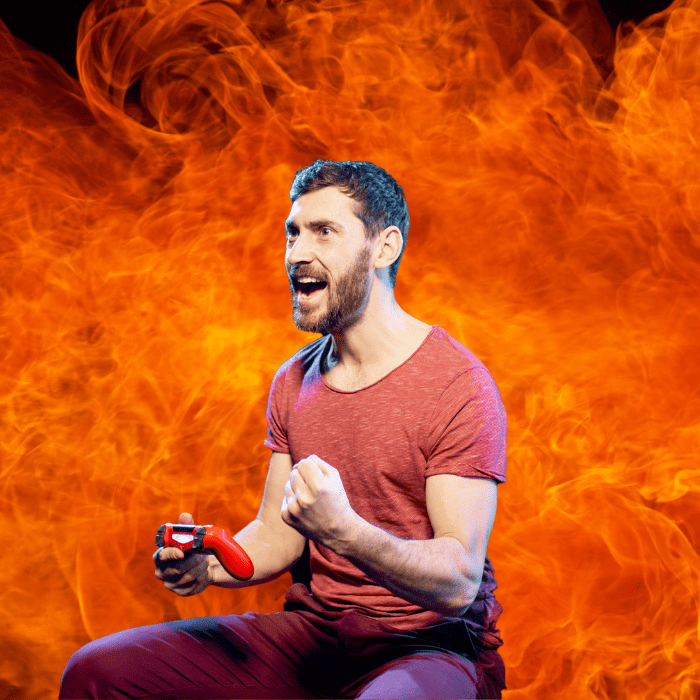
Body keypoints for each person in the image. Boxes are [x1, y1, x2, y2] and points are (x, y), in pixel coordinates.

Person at [59, 159, 507, 699]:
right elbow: (277, 533)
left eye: (324, 231)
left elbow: (458, 581)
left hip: (429, 645)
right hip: (317, 636)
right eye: (293, 233)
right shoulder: (294, 379)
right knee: (95, 673)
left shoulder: (458, 385)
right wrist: (211, 564)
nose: (297, 253)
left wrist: (345, 531)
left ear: (384, 248)